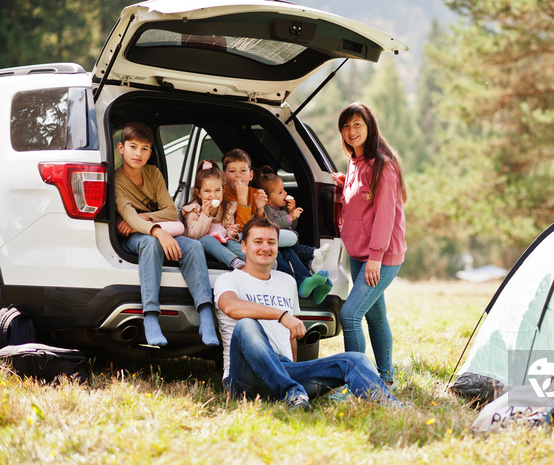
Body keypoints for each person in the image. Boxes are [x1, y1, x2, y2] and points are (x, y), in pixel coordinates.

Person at [214, 217, 399, 409]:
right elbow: (230, 306)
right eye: (258, 242)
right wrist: (282, 315)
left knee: (354, 359)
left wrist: (293, 365)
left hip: (285, 371)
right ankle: (292, 393)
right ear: (243, 246)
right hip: (246, 378)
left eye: (271, 242)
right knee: (246, 324)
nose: (265, 248)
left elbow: (291, 336)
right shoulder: (229, 280)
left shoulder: (287, 282)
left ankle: (391, 406)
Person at [114, 122, 219, 348]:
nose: (138, 153)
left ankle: (206, 315)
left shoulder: (153, 173)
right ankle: (151, 317)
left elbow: (170, 212)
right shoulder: (116, 181)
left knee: (193, 246)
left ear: (151, 153)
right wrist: (156, 230)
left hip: (153, 227)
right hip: (137, 237)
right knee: (151, 244)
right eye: (133, 147)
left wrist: (143, 218)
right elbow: (127, 216)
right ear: (121, 148)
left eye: (144, 149)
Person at [334, 102, 407, 385]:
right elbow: (358, 200)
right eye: (346, 125)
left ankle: (358, 383)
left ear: (370, 127)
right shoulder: (355, 161)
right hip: (358, 253)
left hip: (381, 256)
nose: (351, 131)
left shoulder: (383, 167)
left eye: (357, 124)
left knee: (350, 315)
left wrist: (375, 257)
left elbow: (385, 216)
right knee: (375, 318)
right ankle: (385, 380)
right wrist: (343, 186)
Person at [255, 166, 332, 304]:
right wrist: (290, 216)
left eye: (284, 189)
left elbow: (292, 227)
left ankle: (313, 279)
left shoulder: (280, 208)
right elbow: (272, 225)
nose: (285, 193)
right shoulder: (266, 210)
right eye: (280, 192)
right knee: (289, 251)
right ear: (268, 200)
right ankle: (312, 259)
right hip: (278, 245)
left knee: (291, 250)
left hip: (288, 243)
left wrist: (291, 214)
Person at [181, 159, 243, 269]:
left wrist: (231, 233)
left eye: (217, 190)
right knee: (207, 240)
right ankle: (234, 261)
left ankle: (258, 262)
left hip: (223, 244)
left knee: (237, 242)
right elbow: (195, 235)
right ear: (198, 193)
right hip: (204, 247)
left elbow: (227, 231)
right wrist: (205, 214)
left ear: (223, 190)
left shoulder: (227, 208)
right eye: (207, 191)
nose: (213, 195)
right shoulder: (194, 209)